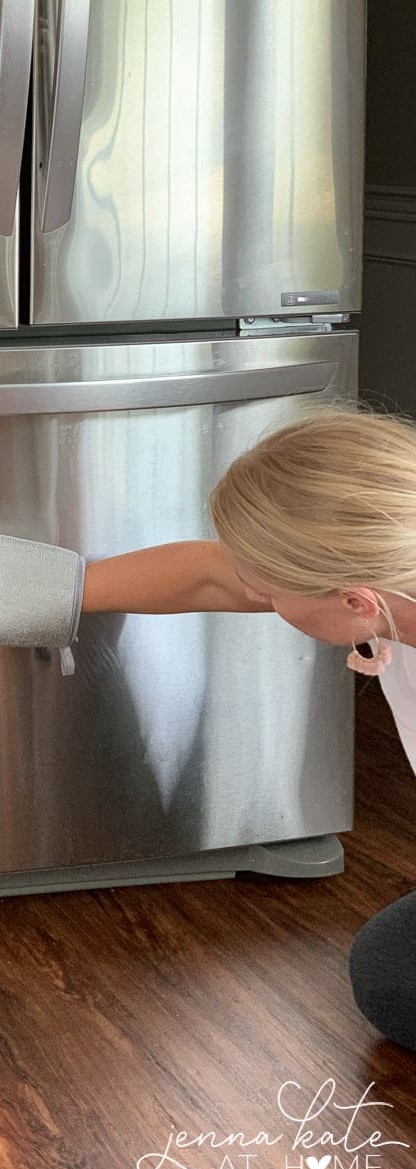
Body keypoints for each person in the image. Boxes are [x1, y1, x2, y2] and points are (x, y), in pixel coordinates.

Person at [80, 406, 416, 1053]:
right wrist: (47, 591)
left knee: (392, 981)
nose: (252, 591)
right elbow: (208, 572)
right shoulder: (391, 567)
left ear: (355, 603)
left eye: (267, 589)